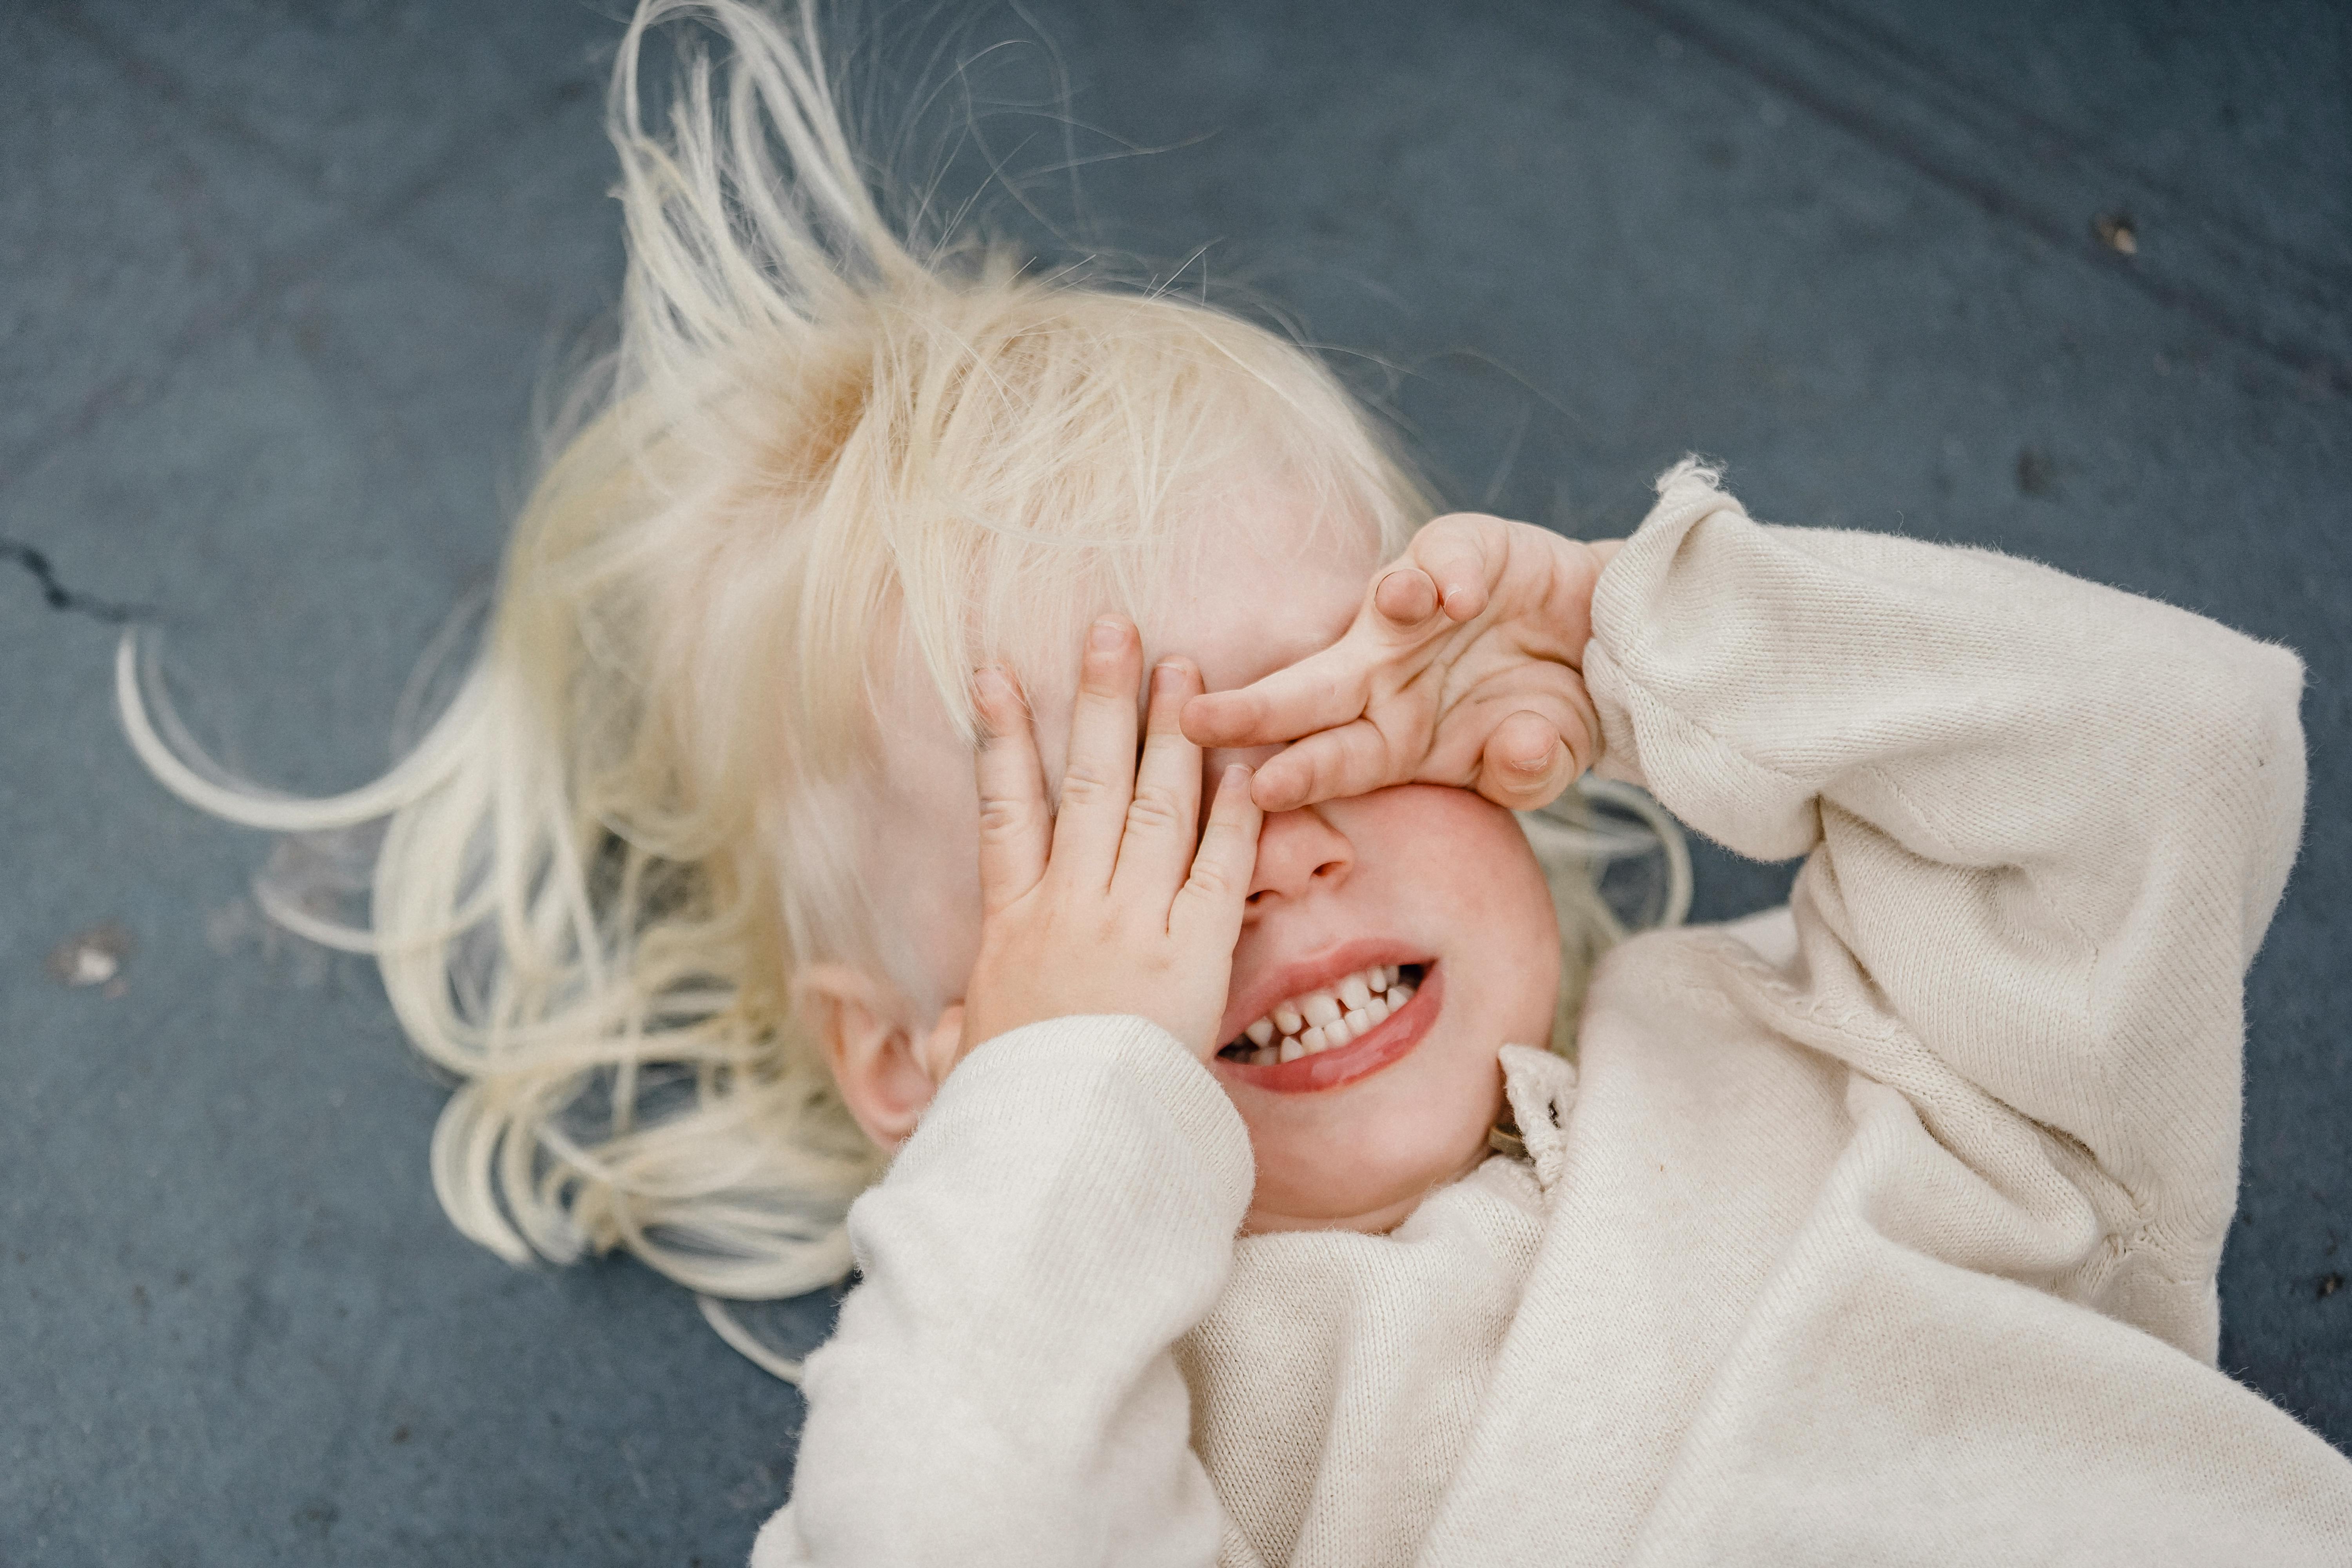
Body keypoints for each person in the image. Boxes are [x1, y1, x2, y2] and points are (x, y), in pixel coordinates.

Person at [120, 1, 2352, 1562]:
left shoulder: (1842, 1038)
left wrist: (1651, 648)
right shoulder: (1131, 1414)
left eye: (1314, 720)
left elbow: (2180, 755)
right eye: (1130, 829)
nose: (1273, 851)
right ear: (923, 1058)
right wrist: (1079, 1089)